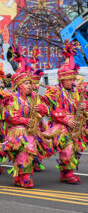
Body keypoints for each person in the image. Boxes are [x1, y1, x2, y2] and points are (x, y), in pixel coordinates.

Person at [1, 56, 49, 188]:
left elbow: (45, 109)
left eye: (30, 83)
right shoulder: (11, 97)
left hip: (32, 130)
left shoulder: (35, 96)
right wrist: (24, 120)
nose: (29, 86)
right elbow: (8, 114)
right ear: (19, 85)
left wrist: (40, 108)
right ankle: (25, 178)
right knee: (24, 153)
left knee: (28, 155)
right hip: (17, 131)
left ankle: (20, 177)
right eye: (26, 84)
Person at [44, 41, 88, 184]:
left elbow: (85, 104)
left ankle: (66, 172)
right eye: (70, 79)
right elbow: (53, 111)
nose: (72, 81)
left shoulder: (78, 90)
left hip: (76, 126)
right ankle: (67, 173)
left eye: (73, 78)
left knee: (74, 150)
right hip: (62, 126)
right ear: (62, 79)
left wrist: (83, 107)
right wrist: (66, 120)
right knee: (67, 148)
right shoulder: (54, 91)